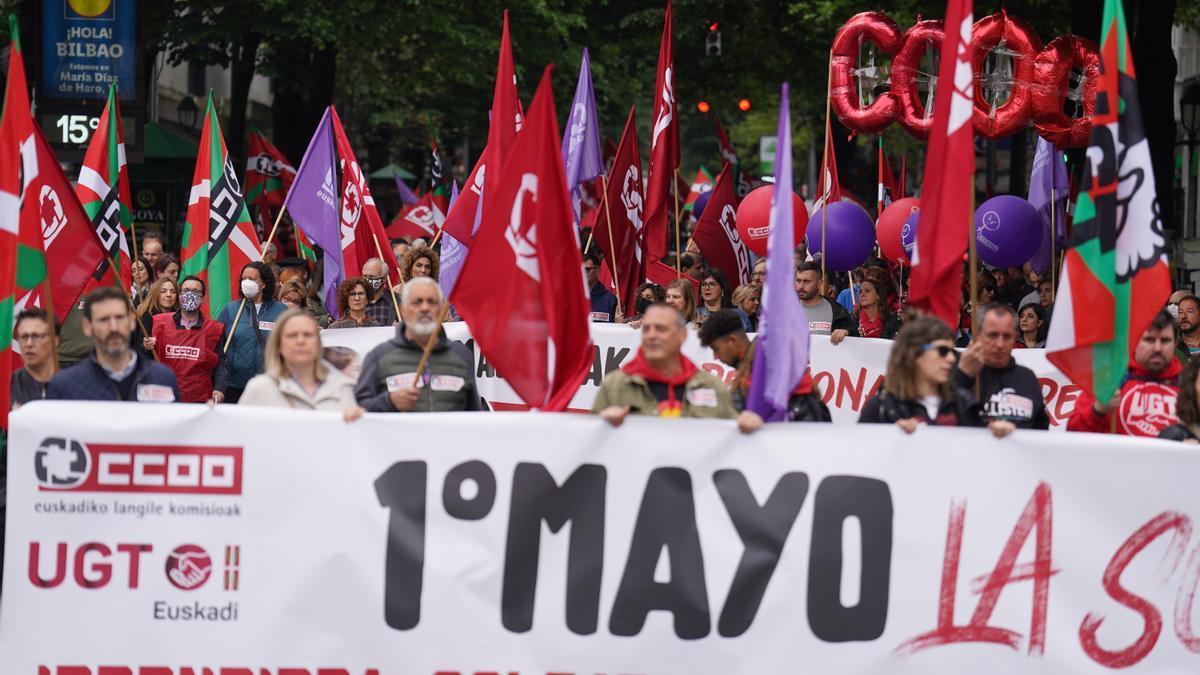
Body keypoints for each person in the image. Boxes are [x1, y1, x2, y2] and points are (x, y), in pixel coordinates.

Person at [859, 315, 1014, 437]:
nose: (952, 359)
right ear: (914, 353)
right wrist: (892, 438)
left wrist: (998, 433)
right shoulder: (881, 407)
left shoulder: (964, 404)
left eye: (952, 351)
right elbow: (860, 457)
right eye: (942, 351)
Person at [594, 303, 736, 424]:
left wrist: (751, 428)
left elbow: (734, 444)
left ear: (682, 335)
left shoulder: (712, 387)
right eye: (646, 329)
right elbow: (590, 446)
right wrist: (602, 425)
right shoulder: (614, 386)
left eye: (661, 329)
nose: (651, 336)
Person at [355, 277, 481, 412]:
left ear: (441, 309)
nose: (425, 308)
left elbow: (474, 415)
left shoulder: (461, 355)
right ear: (403, 310)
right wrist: (388, 401)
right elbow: (358, 409)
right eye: (417, 302)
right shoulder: (379, 357)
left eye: (432, 302)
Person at [47, 286, 179, 401]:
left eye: (119, 317)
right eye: (103, 320)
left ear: (132, 321)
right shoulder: (64, 385)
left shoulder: (162, 379)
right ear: (87, 327)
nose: (113, 327)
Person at [698, 309, 829, 424]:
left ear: (733, 341)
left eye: (716, 349)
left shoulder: (764, 366)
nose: (715, 356)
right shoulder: (751, 367)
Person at [1068, 309, 1180, 437]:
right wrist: (1098, 409)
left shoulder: (1190, 384)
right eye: (1149, 340)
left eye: (1165, 341)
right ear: (1134, 341)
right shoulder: (1108, 380)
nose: (1157, 348)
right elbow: (1073, 435)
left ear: (1175, 343)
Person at [239, 308, 364, 419]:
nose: (300, 341)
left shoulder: (342, 388)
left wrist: (358, 423)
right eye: (292, 335)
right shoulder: (260, 389)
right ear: (279, 345)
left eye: (307, 335)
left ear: (318, 343)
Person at [955, 303, 1050, 429]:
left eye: (1007, 337)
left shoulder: (1027, 378)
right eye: (992, 335)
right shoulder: (962, 374)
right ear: (978, 337)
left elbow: (1041, 431)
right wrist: (962, 377)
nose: (1000, 344)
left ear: (1015, 338)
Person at [143, 275, 227, 404]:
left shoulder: (214, 329)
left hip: (199, 401)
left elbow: (220, 363)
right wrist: (147, 348)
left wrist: (219, 389)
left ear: (203, 298)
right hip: (165, 398)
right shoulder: (159, 323)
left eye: (196, 292)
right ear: (180, 295)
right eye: (186, 291)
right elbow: (145, 359)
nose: (191, 295)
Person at [216, 261, 288, 404]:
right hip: (234, 386)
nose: (246, 283)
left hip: (269, 385)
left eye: (252, 279)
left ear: (263, 284)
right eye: (243, 279)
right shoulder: (230, 310)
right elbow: (218, 348)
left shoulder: (280, 311)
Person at [795, 261, 856, 344]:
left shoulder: (838, 311)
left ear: (819, 283)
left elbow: (856, 340)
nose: (801, 286)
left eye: (806, 281)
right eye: (798, 281)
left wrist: (847, 332)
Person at [10, 309, 59, 407]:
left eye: (36, 336)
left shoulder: (75, 385)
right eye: (23, 336)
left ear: (55, 340)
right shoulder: (5, 387)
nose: (29, 344)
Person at [361, 257, 399, 325]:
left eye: (371, 277)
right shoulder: (355, 300)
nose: (367, 280)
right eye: (365, 276)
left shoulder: (397, 301)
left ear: (384, 279)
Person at [584, 252, 618, 323]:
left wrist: (618, 324)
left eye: (587, 269)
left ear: (598, 272)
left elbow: (614, 330)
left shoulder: (610, 300)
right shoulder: (569, 298)